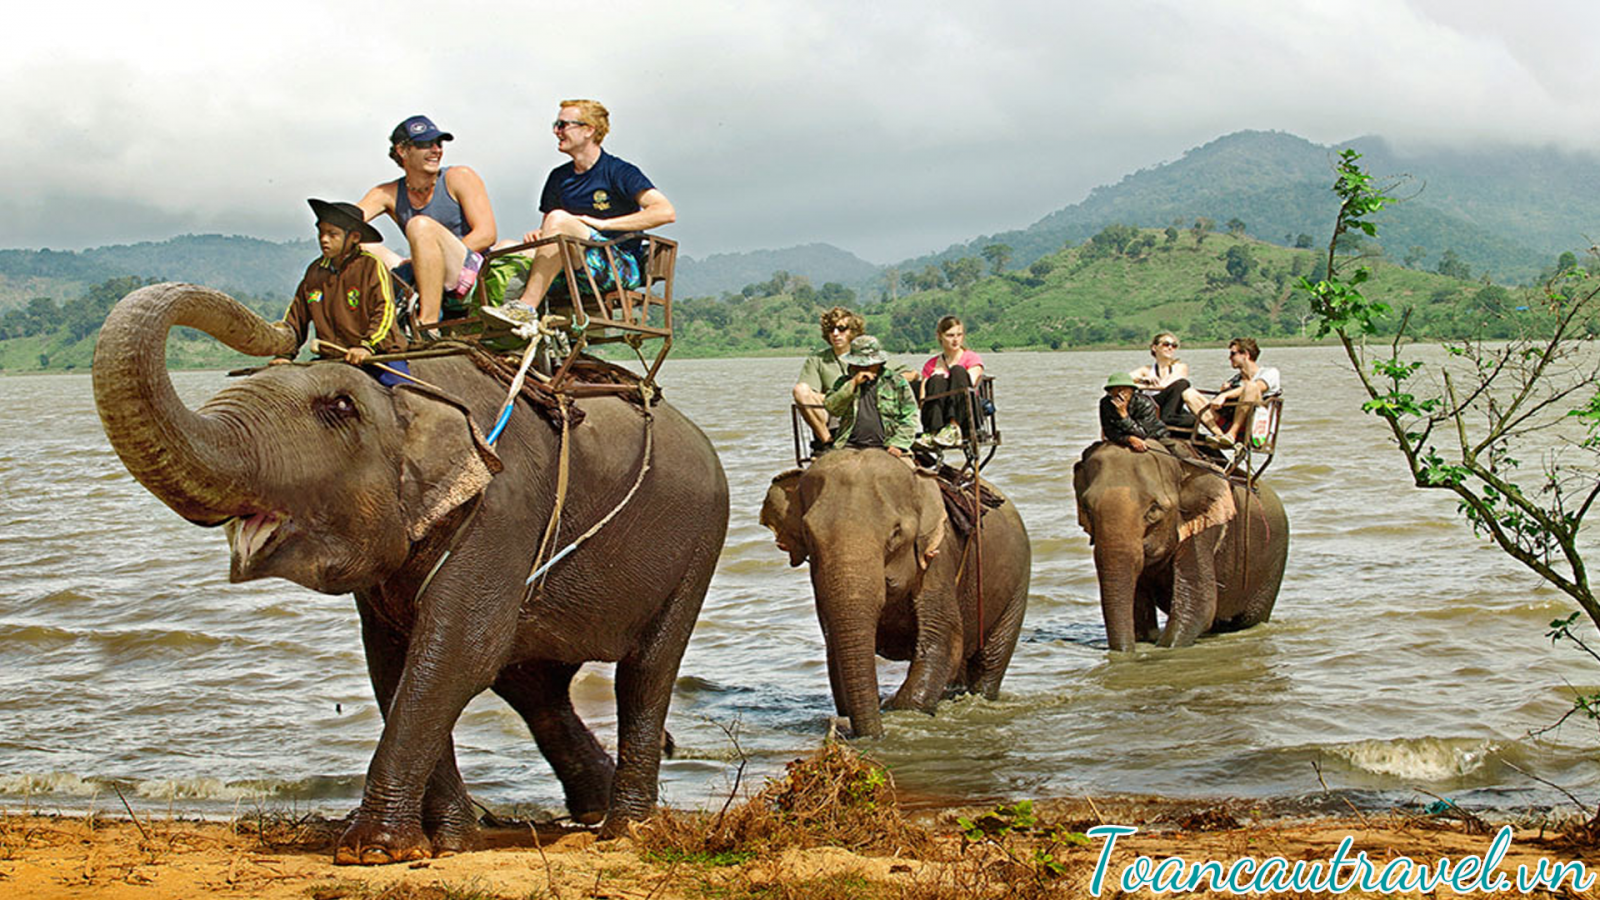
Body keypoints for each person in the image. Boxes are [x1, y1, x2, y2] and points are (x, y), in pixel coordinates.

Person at [483, 99, 676, 326]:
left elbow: (665, 212)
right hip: (570, 266)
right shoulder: (558, 178)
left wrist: (603, 224)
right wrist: (539, 234)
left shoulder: (619, 171)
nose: (556, 131)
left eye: (563, 125)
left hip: (616, 266)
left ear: (588, 130)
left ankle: (525, 308)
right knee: (504, 248)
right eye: (556, 125)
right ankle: (499, 327)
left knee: (558, 218)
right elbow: (549, 229)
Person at [357, 115, 497, 326]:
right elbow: (346, 224)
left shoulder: (459, 176)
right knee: (357, 243)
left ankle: (428, 322)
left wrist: (430, 260)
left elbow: (486, 234)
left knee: (419, 225)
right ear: (402, 151)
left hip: (467, 269)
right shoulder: (387, 193)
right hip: (422, 271)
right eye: (425, 144)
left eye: (438, 143)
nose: (436, 150)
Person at [271, 199, 409, 385]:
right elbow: (296, 317)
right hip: (332, 359)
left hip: (378, 356)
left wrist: (366, 346)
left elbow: (384, 311)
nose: (324, 239)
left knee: (403, 391)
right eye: (321, 233)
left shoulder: (371, 266)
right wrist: (285, 354)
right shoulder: (314, 272)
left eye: (332, 234)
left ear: (354, 237)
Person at [824, 336, 918, 457]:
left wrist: (898, 444)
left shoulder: (896, 382)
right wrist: (852, 384)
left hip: (887, 446)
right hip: (849, 445)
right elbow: (832, 408)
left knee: (907, 467)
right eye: (859, 364)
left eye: (869, 365)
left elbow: (910, 417)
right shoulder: (843, 382)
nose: (864, 368)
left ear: (879, 363)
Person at [1184, 337, 1281, 447]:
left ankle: (1232, 434)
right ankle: (1220, 436)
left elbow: (1258, 387)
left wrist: (1225, 395)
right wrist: (1223, 393)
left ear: (1245, 354)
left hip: (1255, 429)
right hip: (1227, 424)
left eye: (1233, 354)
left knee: (1251, 387)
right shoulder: (1234, 381)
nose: (1229, 358)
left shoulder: (1270, 373)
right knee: (1189, 394)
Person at [794, 306, 864, 452]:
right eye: (831, 329)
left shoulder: (868, 357)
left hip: (865, 412)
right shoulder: (817, 360)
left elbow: (907, 374)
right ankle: (827, 442)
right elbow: (808, 394)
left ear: (853, 331)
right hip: (833, 416)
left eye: (841, 329)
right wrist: (840, 397)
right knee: (800, 390)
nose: (835, 334)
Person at [916, 315, 985, 448]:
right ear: (940, 336)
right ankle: (934, 431)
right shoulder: (931, 364)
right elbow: (923, 398)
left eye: (959, 335)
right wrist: (936, 378)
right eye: (950, 335)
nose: (955, 340)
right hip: (939, 414)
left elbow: (969, 384)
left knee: (958, 371)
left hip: (966, 413)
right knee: (936, 380)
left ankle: (954, 426)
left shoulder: (971, 358)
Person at [1130, 331, 1194, 428]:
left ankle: (1167, 419)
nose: (1170, 348)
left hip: (1172, 406)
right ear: (1154, 348)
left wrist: (1148, 386)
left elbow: (1167, 385)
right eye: (1166, 344)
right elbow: (1122, 380)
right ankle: (1164, 419)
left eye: (1174, 346)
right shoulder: (1146, 370)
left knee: (1182, 384)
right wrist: (1142, 380)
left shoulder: (1180, 367)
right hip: (1154, 405)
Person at [1100, 372, 1167, 452]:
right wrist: (1128, 439)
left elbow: (1142, 433)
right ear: (1110, 392)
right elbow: (1109, 431)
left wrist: (1124, 415)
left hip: (1153, 435)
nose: (1120, 393)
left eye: (1125, 389)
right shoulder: (1106, 403)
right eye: (1117, 389)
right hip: (1123, 436)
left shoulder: (1144, 403)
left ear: (1132, 390)